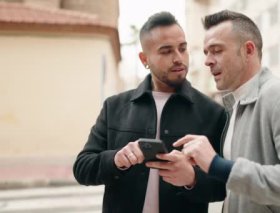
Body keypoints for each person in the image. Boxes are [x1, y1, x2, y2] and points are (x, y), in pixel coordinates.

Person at [174, 10, 280, 213]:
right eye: (206, 52)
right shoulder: (236, 106)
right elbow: (238, 185)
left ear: (249, 50)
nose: (208, 61)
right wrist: (195, 172)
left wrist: (216, 165)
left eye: (217, 50)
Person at [73, 12, 226, 213]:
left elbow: (224, 186)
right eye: (166, 51)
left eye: (182, 48)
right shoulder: (114, 107)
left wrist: (192, 178)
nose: (178, 58)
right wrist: (116, 159)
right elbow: (82, 169)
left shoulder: (213, 113)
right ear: (144, 59)